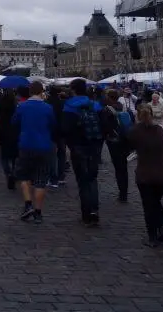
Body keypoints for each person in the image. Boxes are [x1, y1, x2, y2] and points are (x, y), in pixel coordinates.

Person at [127, 104, 163, 247]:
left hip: (145, 174)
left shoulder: (135, 131)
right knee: (156, 201)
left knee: (149, 205)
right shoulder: (160, 130)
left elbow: (127, 147)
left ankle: (152, 236)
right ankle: (162, 228)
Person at [62, 78, 104, 226]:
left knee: (82, 180)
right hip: (94, 146)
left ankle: (86, 214)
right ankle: (94, 210)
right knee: (92, 178)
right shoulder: (95, 104)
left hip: (78, 146)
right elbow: (103, 124)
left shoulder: (69, 106)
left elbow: (66, 129)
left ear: (73, 90)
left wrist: (70, 145)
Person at [12, 81, 55, 224]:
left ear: (30, 91)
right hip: (44, 146)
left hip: (26, 145)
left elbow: (14, 123)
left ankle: (28, 203)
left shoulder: (22, 106)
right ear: (42, 91)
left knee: (23, 176)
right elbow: (53, 125)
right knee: (41, 181)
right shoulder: (48, 108)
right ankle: (38, 212)